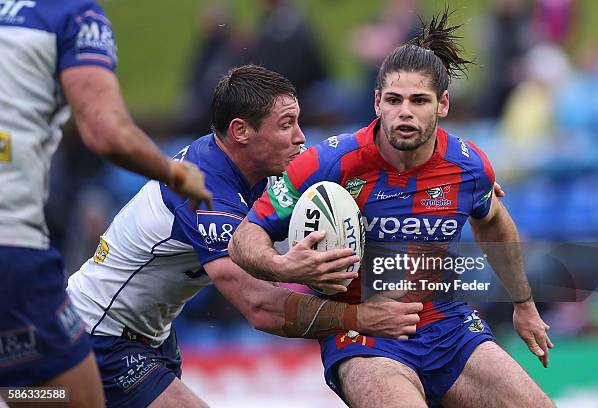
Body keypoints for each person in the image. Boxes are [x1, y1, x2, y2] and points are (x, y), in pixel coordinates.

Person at [229, 10, 555, 408]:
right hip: (365, 337)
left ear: (443, 104)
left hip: (448, 327)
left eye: (419, 100)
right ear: (377, 102)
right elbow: (245, 238)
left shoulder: (469, 167)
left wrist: (524, 306)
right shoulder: (327, 163)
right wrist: (282, 267)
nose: (405, 112)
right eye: (394, 100)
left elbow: (495, 223)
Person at [66, 64, 423, 408]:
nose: (300, 137)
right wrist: (359, 319)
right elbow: (258, 306)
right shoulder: (202, 189)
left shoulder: (259, 174)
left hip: (150, 335)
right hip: (98, 333)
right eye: (286, 125)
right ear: (241, 132)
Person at [0, 0, 211, 405]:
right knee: (81, 399)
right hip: (11, 246)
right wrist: (177, 174)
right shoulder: (73, 15)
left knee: (33, 391)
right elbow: (105, 131)